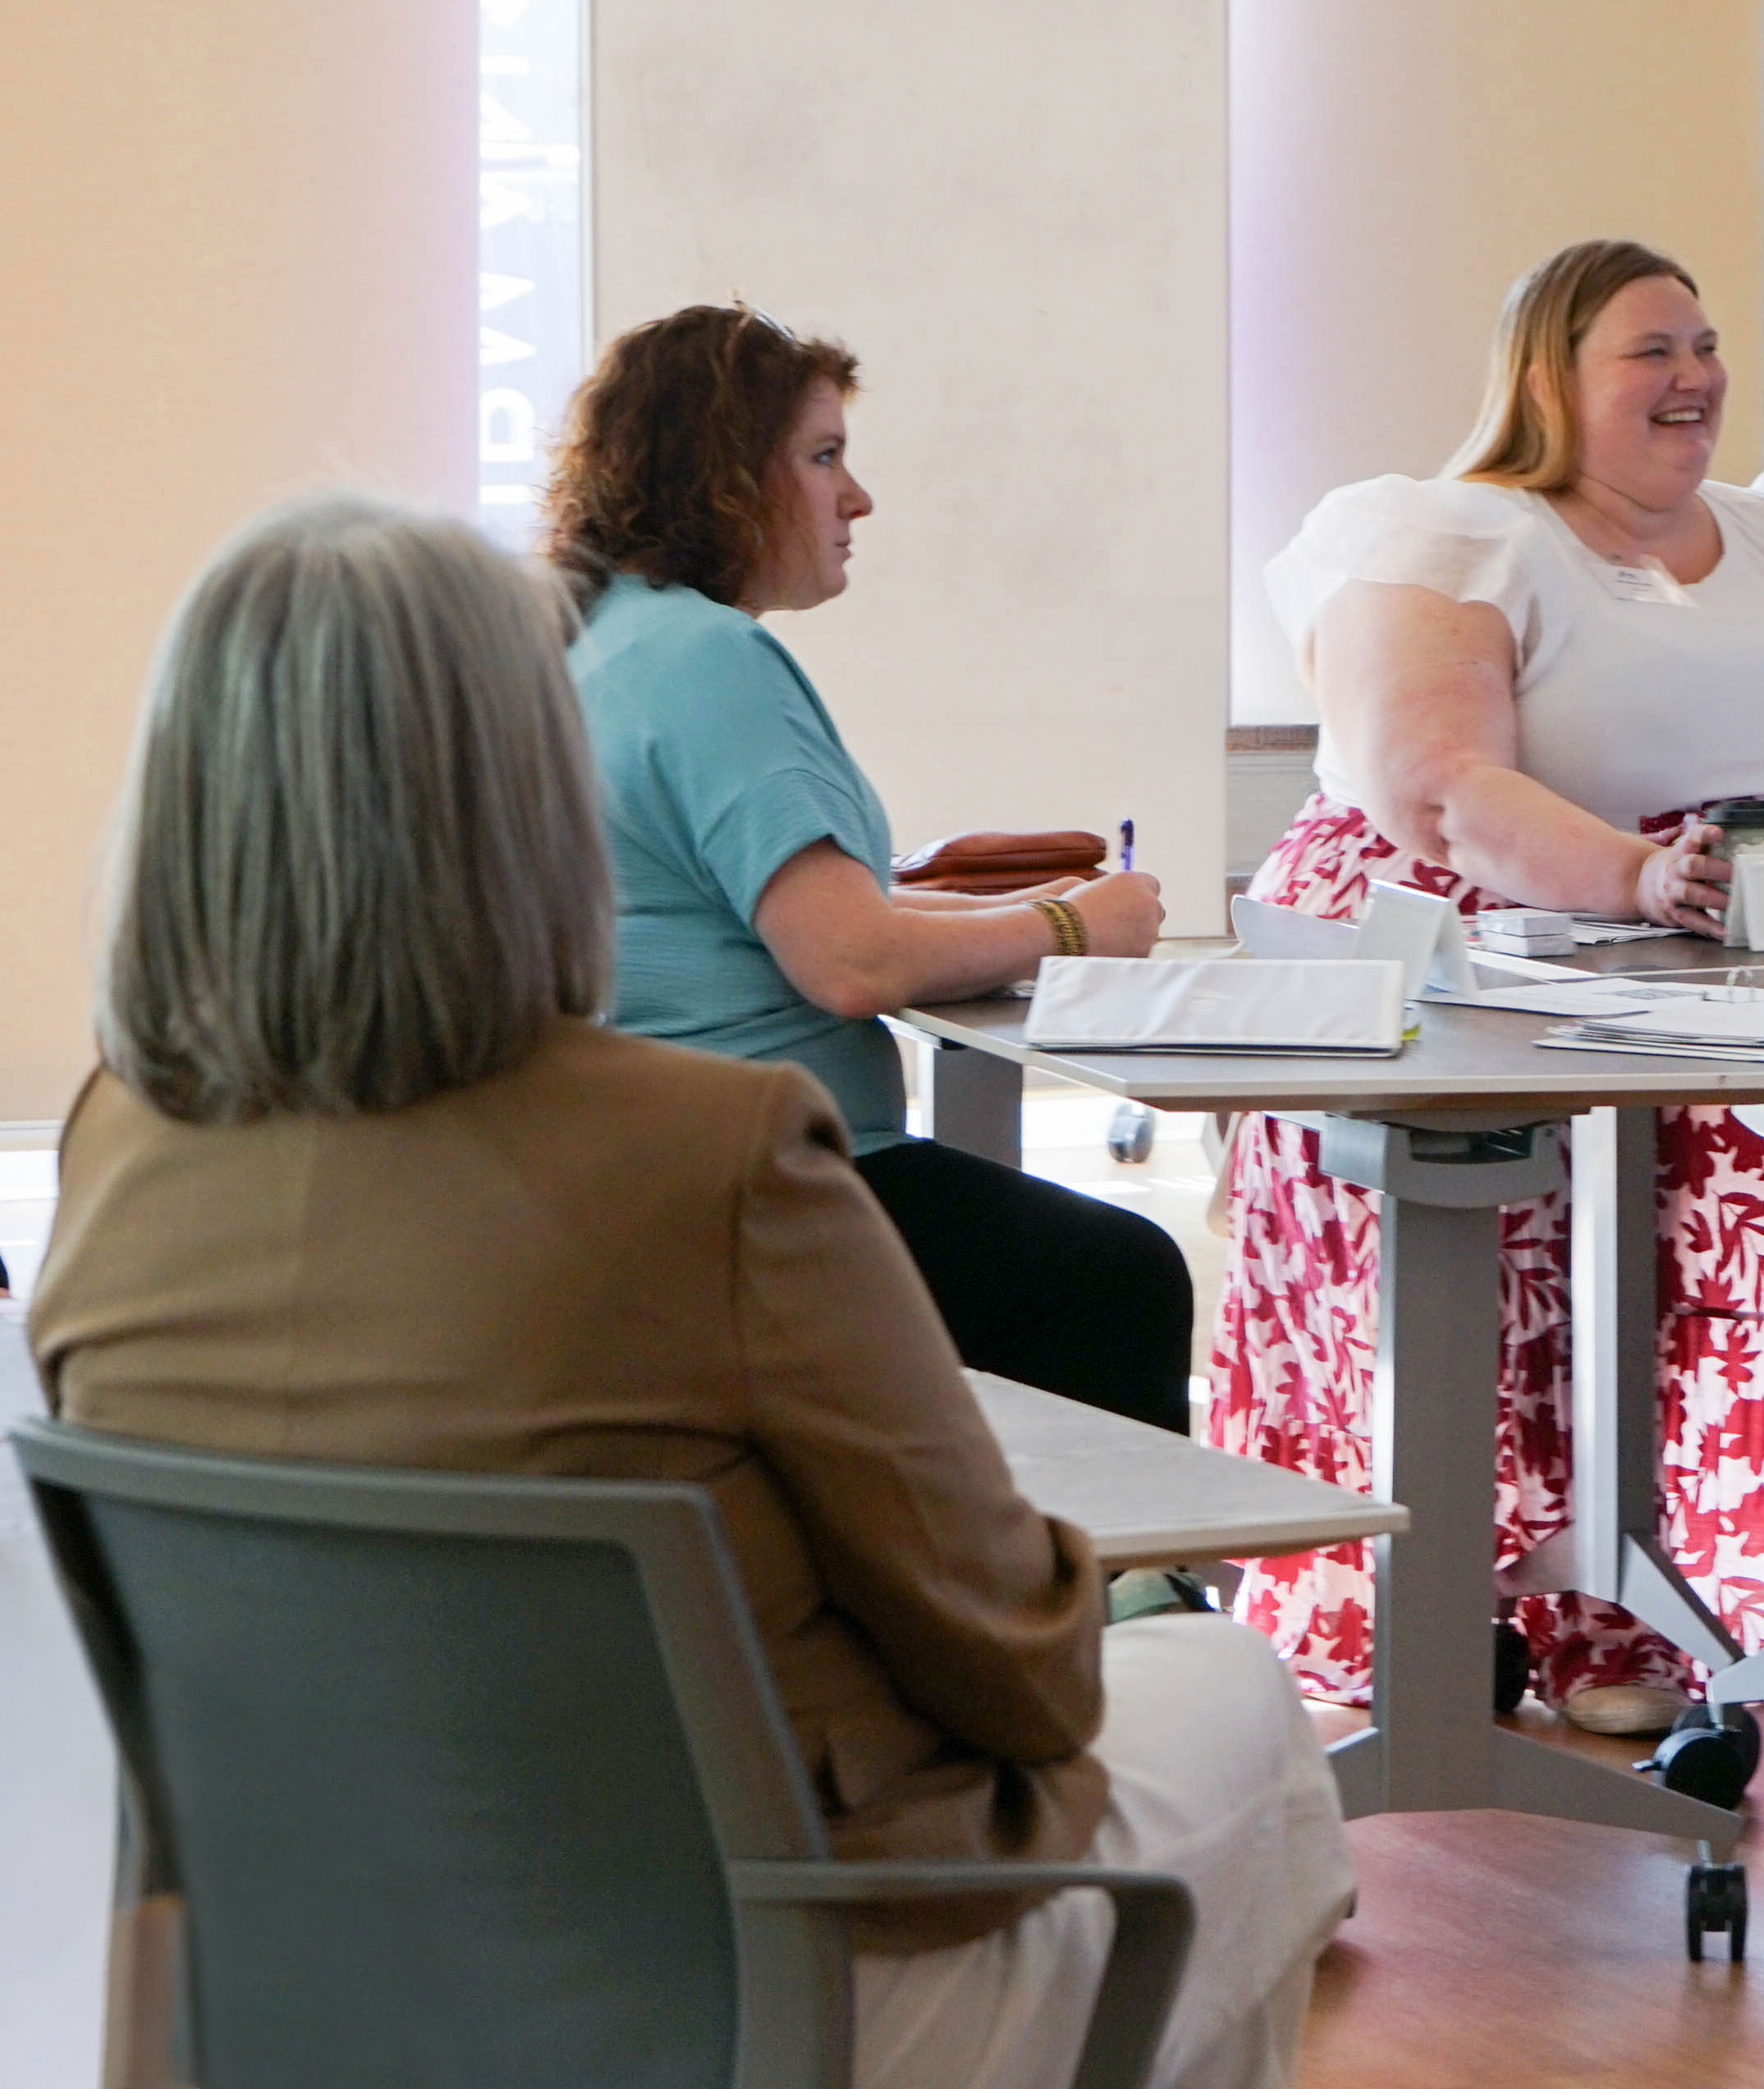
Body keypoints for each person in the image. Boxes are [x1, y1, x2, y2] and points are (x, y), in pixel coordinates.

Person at [24, 496, 1348, 2089]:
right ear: (527, 794)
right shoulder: (706, 1152)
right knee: (1240, 1699)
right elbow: (1017, 1661)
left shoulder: (113, 1150)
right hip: (754, 1979)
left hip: (325, 1979)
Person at [1227, 238, 1764, 1733]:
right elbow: (1432, 787)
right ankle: (1566, 1616)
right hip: (1530, 962)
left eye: (1704, 344)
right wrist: (1636, 878)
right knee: (1540, 1255)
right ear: (1550, 376)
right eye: (1652, 351)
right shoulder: (1454, 540)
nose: (1696, 377)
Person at [546, 305, 1194, 1433]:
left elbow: (778, 909)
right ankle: (1111, 1602)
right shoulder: (711, 659)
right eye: (824, 457)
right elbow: (847, 961)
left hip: (642, 1179)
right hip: (759, 1186)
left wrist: (1013, 908)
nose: (857, 498)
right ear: (726, 477)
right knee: (1118, 1274)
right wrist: (1076, 927)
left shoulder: (604, 635)